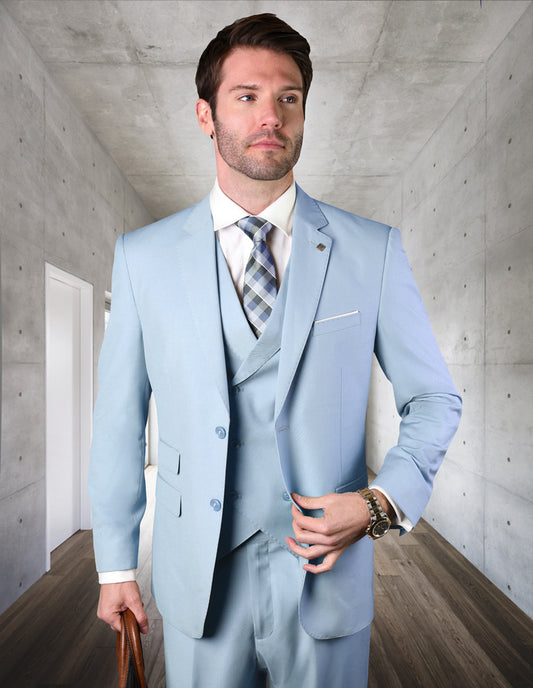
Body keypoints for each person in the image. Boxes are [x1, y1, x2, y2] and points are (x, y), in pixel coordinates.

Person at [89, 13, 461, 688]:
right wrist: (116, 565)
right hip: (200, 575)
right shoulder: (142, 258)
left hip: (324, 576)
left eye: (288, 97)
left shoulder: (369, 249)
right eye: (247, 96)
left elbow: (433, 398)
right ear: (205, 114)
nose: (271, 115)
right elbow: (118, 418)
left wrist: (379, 504)